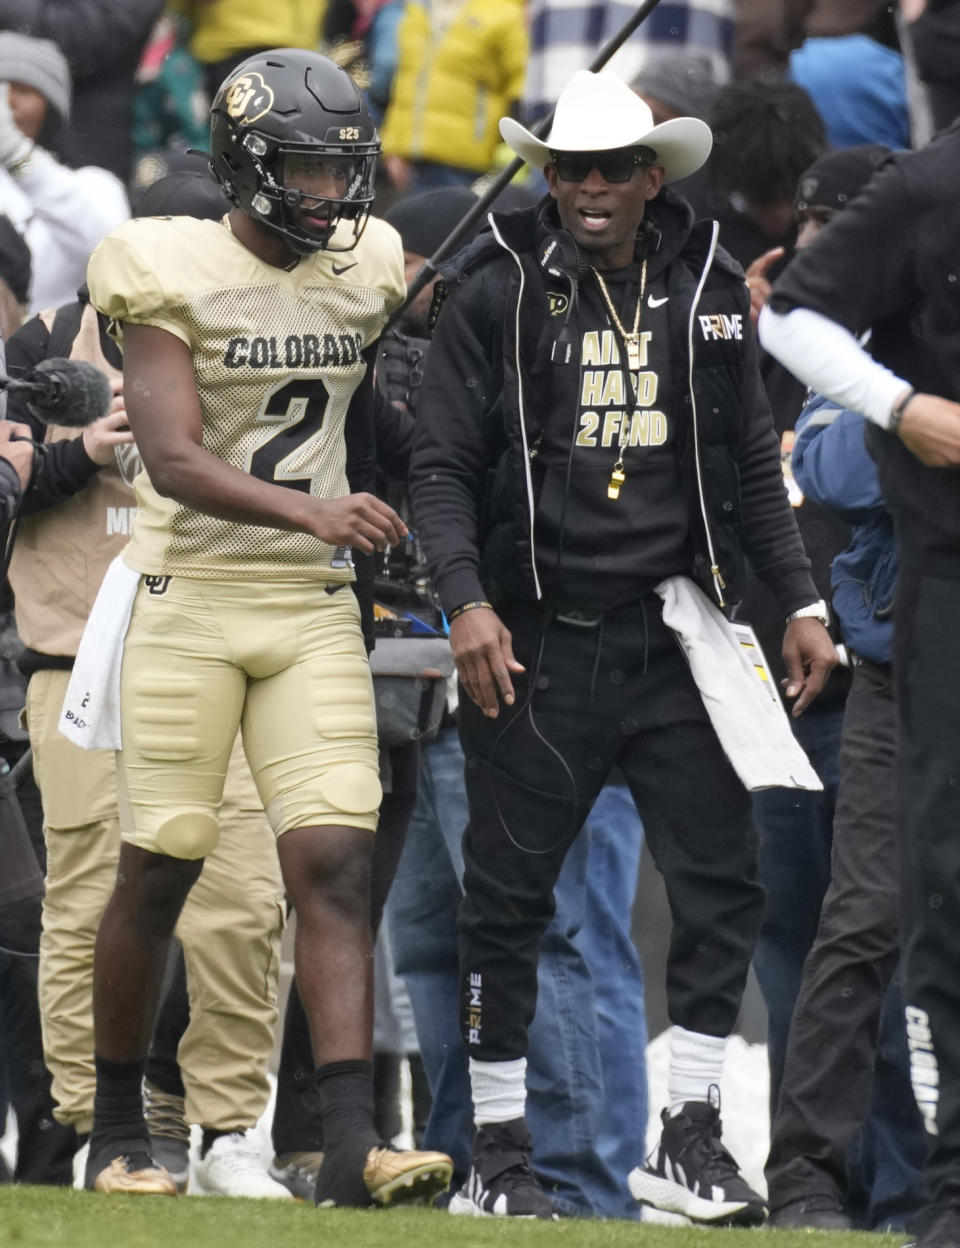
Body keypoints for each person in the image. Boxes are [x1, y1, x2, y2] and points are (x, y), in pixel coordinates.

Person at [408, 66, 836, 1222]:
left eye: (611, 168)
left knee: (723, 889)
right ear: (547, 177)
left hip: (679, 631)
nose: (589, 188)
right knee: (505, 905)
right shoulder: (496, 290)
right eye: (569, 169)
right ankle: (500, 1158)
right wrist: (464, 602)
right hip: (536, 638)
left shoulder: (705, 284)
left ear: (656, 175)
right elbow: (440, 466)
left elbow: (752, 459)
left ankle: (687, 1139)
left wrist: (797, 600)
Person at [78, 47, 452, 1205]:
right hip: (193, 595)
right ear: (244, 166)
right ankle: (118, 1132)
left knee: (335, 861)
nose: (331, 194)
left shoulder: (371, 261)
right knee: (162, 865)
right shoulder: (159, 262)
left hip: (306, 606)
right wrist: (317, 510)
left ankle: (346, 1143)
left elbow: (444, 286)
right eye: (303, 168)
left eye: (343, 171)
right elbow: (177, 458)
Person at [758, 120, 960, 1248]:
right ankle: (808, 1179)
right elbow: (825, 463)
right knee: (871, 919)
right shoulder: (872, 349)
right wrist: (903, 409)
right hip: (900, 659)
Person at [0, 31, 129, 314]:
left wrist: (18, 156)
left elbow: (111, 260)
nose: (7, 104)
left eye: (22, 90)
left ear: (52, 109)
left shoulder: (94, 185)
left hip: (55, 350)